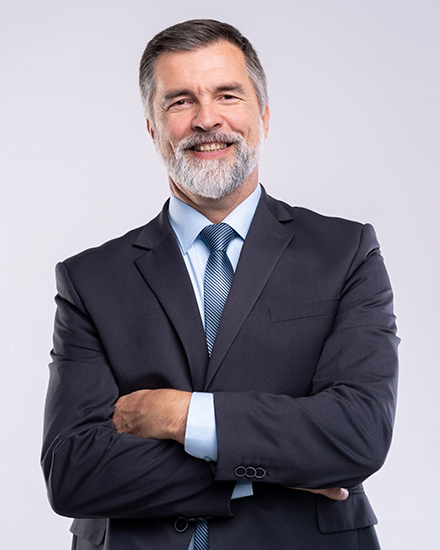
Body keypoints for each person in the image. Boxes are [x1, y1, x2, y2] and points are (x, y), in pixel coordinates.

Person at [41, 19, 399, 550]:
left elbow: (358, 434)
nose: (206, 119)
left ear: (263, 116)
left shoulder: (345, 253)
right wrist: (262, 470)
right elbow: (73, 471)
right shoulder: (90, 279)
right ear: (152, 128)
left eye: (227, 95)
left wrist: (179, 416)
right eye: (180, 101)